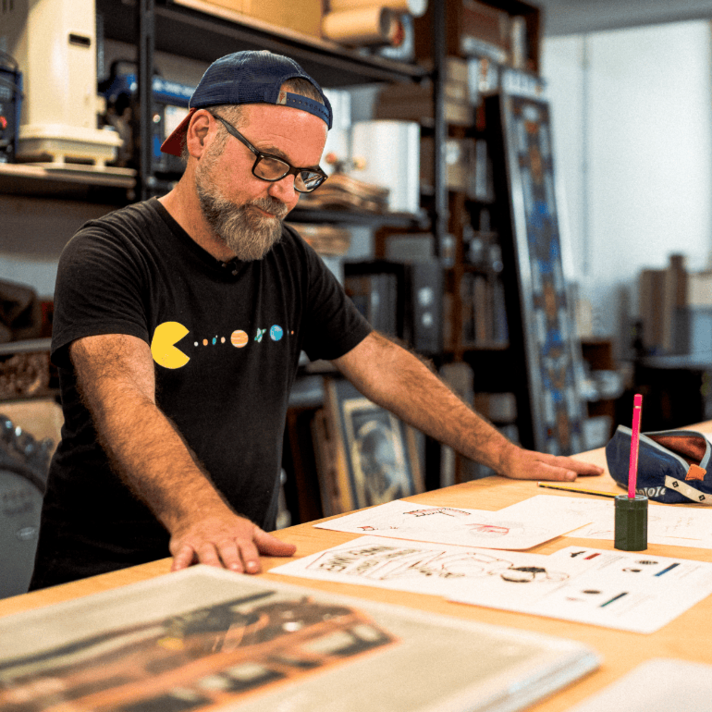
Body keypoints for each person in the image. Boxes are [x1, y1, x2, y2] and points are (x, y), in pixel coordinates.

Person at [30, 50, 601, 590]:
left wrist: (501, 452)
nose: (285, 194)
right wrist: (202, 516)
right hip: (106, 572)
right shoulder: (110, 254)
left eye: (303, 175)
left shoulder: (286, 257)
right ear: (201, 135)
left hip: (236, 559)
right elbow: (125, 402)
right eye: (271, 163)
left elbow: (378, 361)